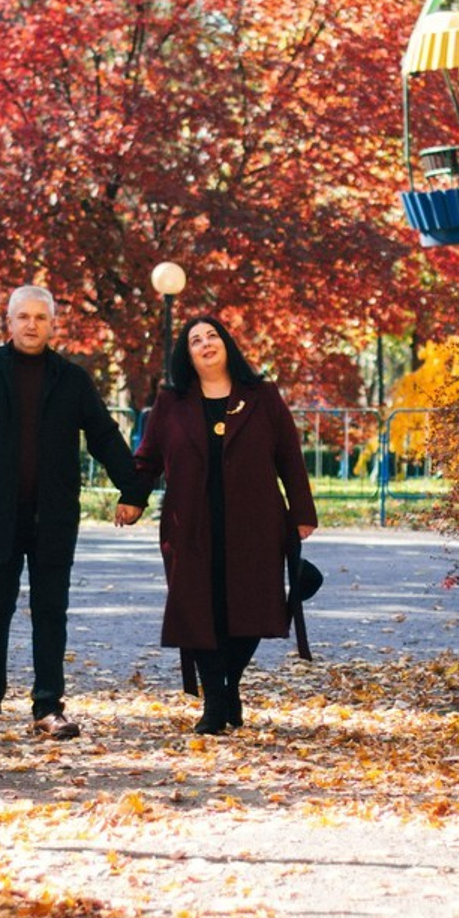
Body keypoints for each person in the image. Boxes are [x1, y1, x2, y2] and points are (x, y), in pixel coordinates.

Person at [0, 285, 147, 739]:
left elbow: (105, 437)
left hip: (53, 516)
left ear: (52, 324)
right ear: (10, 322)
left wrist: (132, 490)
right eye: (23, 317)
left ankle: (48, 708)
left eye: (41, 317)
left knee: (52, 611)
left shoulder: (70, 379)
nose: (31, 325)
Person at [118, 315, 317, 735]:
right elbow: (148, 457)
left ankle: (228, 688)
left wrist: (301, 512)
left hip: (255, 521)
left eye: (213, 336)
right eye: (195, 340)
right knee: (196, 611)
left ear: (227, 344)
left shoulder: (261, 395)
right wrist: (133, 498)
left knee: (253, 608)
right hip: (189, 523)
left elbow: (289, 455)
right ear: (186, 354)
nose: (206, 344)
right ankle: (216, 701)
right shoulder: (171, 401)